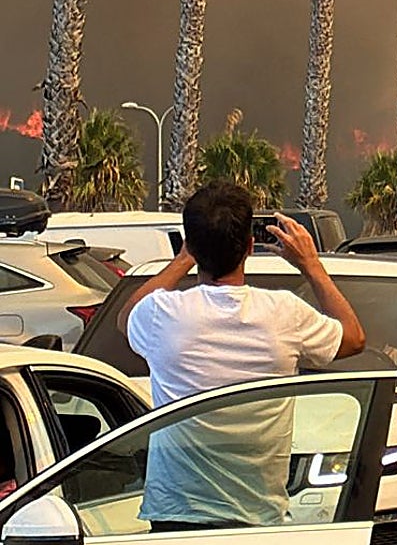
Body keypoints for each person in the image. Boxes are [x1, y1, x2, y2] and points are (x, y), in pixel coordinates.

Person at [117, 181, 366, 531]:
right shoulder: (285, 313)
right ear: (250, 246)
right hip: (257, 518)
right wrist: (311, 265)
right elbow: (354, 338)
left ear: (192, 244)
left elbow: (125, 317)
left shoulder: (163, 314)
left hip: (176, 517)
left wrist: (185, 257)